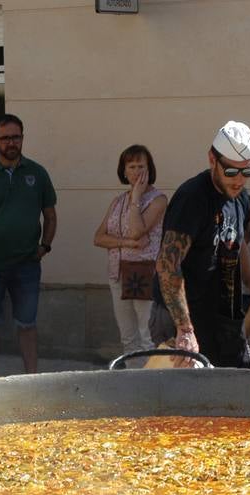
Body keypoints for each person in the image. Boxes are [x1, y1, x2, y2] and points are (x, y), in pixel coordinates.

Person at [152, 120, 250, 368]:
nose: (239, 180)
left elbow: (237, 244)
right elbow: (167, 266)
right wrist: (185, 330)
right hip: (183, 317)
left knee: (239, 389)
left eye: (247, 172)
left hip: (223, 316)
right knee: (189, 402)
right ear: (212, 159)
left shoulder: (239, 196)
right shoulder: (192, 198)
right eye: (231, 171)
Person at [0, 114, 57, 377]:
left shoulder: (37, 174)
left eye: (15, 137)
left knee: (27, 324)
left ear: (22, 138)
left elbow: (50, 215)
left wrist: (44, 246)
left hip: (26, 265)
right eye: (5, 138)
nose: (11, 143)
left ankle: (32, 378)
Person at [92, 144, 167, 356]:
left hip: (143, 273)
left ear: (149, 169)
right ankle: (133, 381)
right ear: (124, 171)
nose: (136, 172)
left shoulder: (158, 199)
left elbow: (136, 231)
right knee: (128, 336)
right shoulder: (117, 201)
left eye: (141, 166)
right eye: (131, 166)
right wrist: (127, 243)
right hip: (117, 274)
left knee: (147, 335)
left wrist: (136, 197)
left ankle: (150, 383)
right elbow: (98, 237)